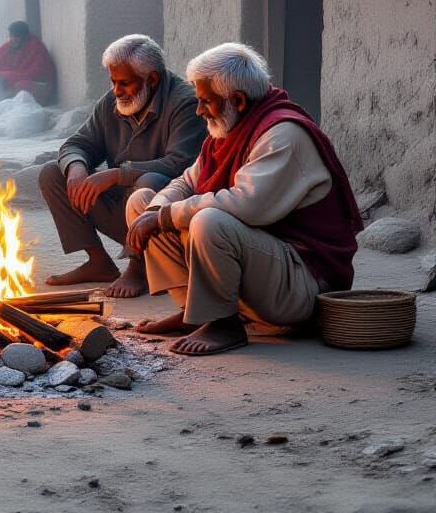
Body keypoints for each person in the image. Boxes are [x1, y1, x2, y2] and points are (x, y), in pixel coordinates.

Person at [127, 43, 362, 357]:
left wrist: (165, 217)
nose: (199, 110)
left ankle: (224, 323)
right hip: (265, 269)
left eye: (205, 101)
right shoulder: (228, 128)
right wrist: (155, 211)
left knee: (210, 221)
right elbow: (187, 181)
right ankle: (195, 312)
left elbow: (244, 205)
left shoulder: (283, 135)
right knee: (143, 203)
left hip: (300, 286)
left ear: (236, 100)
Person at [39, 34, 206, 299]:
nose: (116, 91)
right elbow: (77, 143)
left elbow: (180, 163)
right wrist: (77, 167)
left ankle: (138, 267)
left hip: (163, 219)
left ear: (152, 79)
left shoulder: (185, 103)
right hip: (122, 211)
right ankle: (98, 262)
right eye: (113, 82)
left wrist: (119, 174)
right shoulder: (112, 101)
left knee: (148, 182)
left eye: (124, 83)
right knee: (52, 172)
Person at [0, 20, 57, 105]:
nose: (13, 39)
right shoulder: (8, 48)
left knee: (21, 86)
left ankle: (6, 102)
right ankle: (1, 104)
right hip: (16, 81)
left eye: (16, 37)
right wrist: (1, 77)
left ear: (24, 37)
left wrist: (7, 76)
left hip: (40, 85)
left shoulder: (36, 48)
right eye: (11, 36)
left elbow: (32, 74)